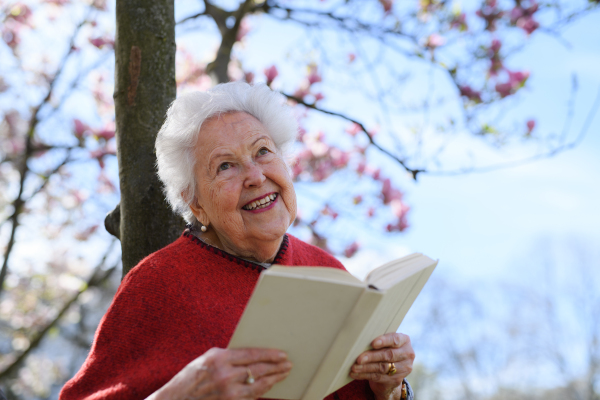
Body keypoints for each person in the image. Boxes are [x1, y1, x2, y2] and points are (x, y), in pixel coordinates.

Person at [60, 82, 415, 400]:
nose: (256, 176)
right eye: (225, 166)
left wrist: (390, 388)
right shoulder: (157, 283)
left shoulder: (328, 270)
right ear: (196, 203)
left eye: (263, 151)